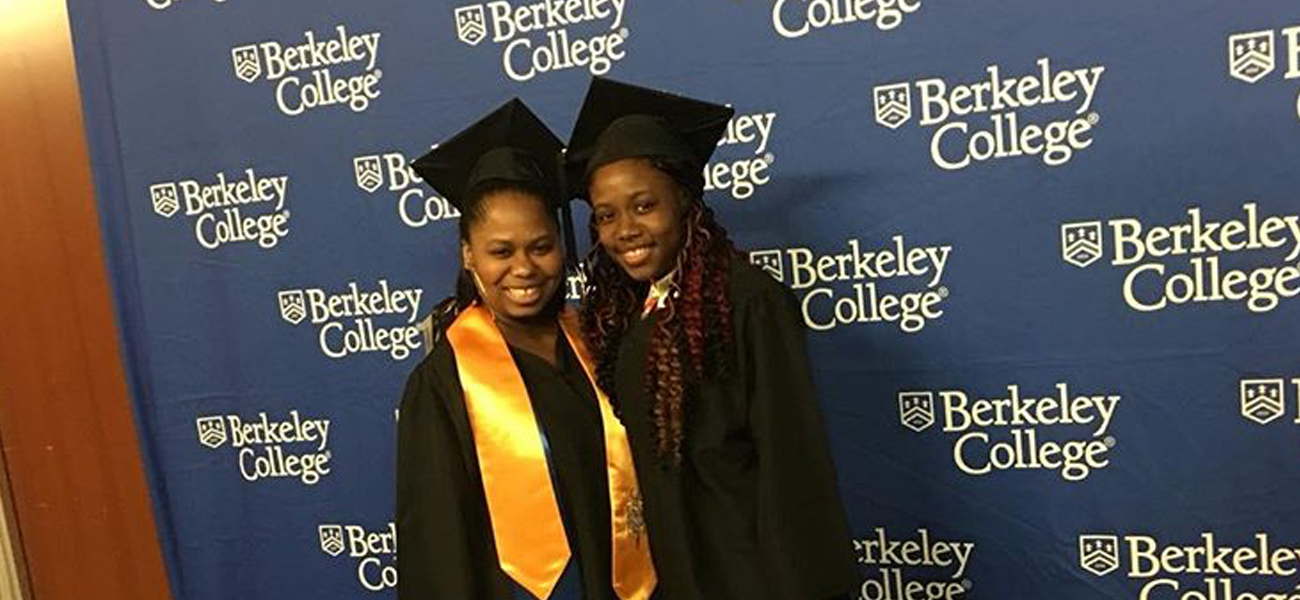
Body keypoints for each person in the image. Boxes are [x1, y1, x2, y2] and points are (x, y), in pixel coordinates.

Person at [566, 77, 860, 600]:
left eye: (644, 205)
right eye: (606, 216)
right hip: (677, 574)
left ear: (684, 202)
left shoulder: (747, 301)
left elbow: (793, 465)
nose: (624, 230)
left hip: (752, 575)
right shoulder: (631, 313)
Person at [396, 98, 656, 600]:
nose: (524, 269)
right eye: (500, 251)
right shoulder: (443, 383)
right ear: (469, 253)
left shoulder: (595, 344)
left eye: (540, 246)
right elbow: (438, 547)